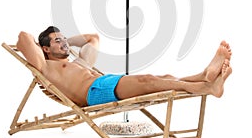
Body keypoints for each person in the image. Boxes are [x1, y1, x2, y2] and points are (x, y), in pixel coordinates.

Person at [16, 26, 232, 107]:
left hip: (102, 83)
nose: (63, 43)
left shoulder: (77, 62)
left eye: (64, 39)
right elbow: (24, 37)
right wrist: (47, 41)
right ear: (44, 49)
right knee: (148, 81)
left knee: (163, 76)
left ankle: (203, 75)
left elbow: (92, 38)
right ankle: (205, 87)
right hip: (94, 93)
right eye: (57, 41)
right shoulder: (45, 67)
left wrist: (64, 42)